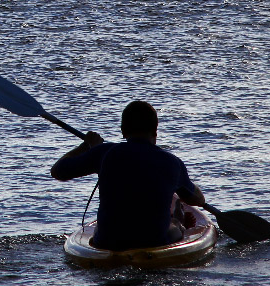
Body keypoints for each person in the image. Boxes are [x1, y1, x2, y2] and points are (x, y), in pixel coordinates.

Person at [50, 100, 205, 251]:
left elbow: (58, 171)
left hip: (108, 241)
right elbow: (196, 200)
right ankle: (178, 220)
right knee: (175, 225)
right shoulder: (172, 162)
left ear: (123, 130)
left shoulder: (104, 153)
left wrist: (86, 147)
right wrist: (189, 186)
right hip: (154, 241)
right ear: (155, 131)